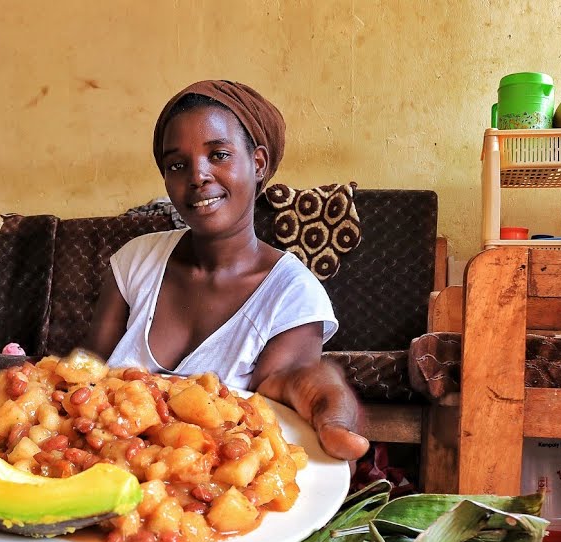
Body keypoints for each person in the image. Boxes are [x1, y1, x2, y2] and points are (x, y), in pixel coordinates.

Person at [84, 80, 367, 463]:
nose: (197, 175)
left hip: (202, 499)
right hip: (99, 477)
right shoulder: (137, 260)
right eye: (177, 164)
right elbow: (82, 378)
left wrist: (320, 389)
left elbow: (279, 396)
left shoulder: (291, 293)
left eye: (218, 154)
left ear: (258, 163)